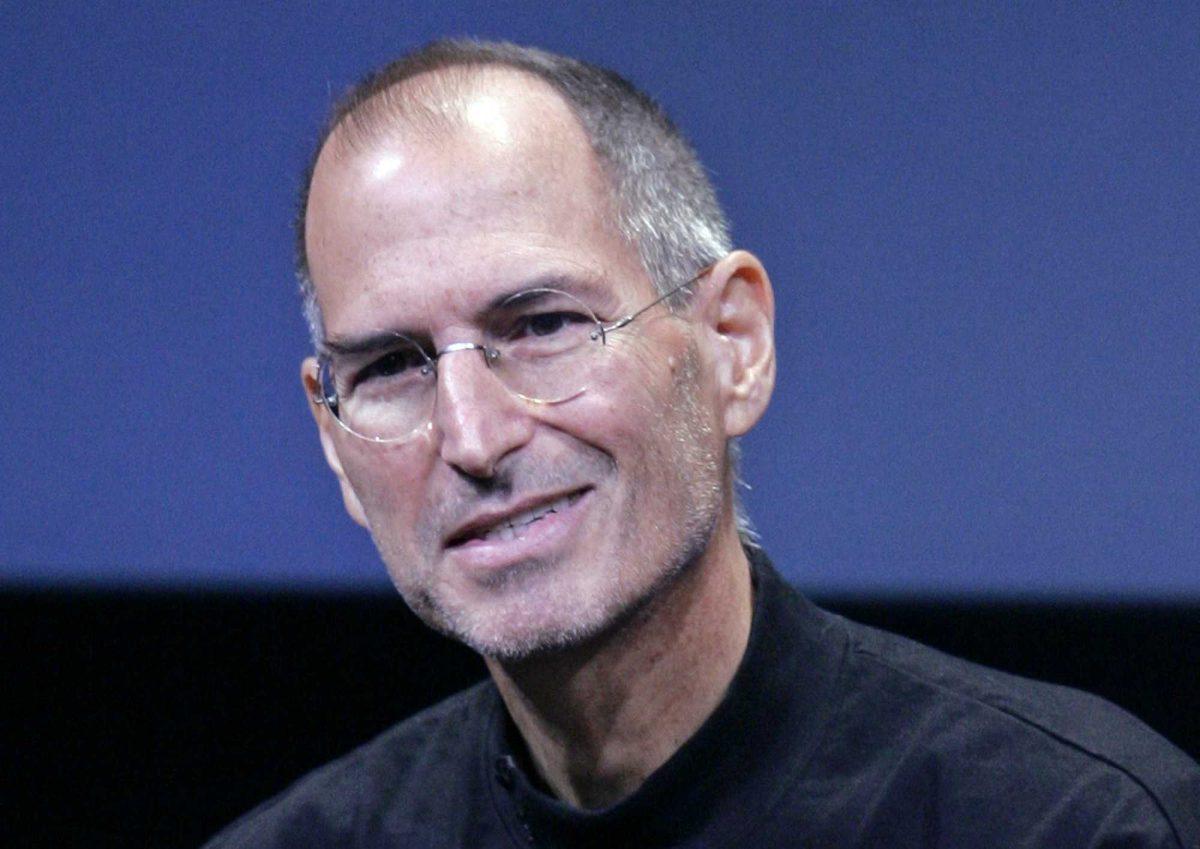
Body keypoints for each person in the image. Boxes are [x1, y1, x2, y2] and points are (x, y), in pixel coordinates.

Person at [205, 39, 1199, 848]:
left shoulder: (1068, 826)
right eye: (390, 366)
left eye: (545, 325)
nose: (471, 437)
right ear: (333, 441)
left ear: (732, 345)